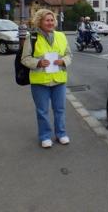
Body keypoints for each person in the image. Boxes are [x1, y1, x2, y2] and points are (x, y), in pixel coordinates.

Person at [21, 9, 72, 148]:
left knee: (60, 109)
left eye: (52, 20)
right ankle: (45, 136)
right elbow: (25, 58)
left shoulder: (61, 36)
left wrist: (63, 61)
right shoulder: (32, 37)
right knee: (42, 111)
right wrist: (38, 63)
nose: (50, 23)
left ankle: (61, 134)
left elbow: (69, 55)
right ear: (40, 22)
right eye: (47, 20)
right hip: (40, 81)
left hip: (58, 80)